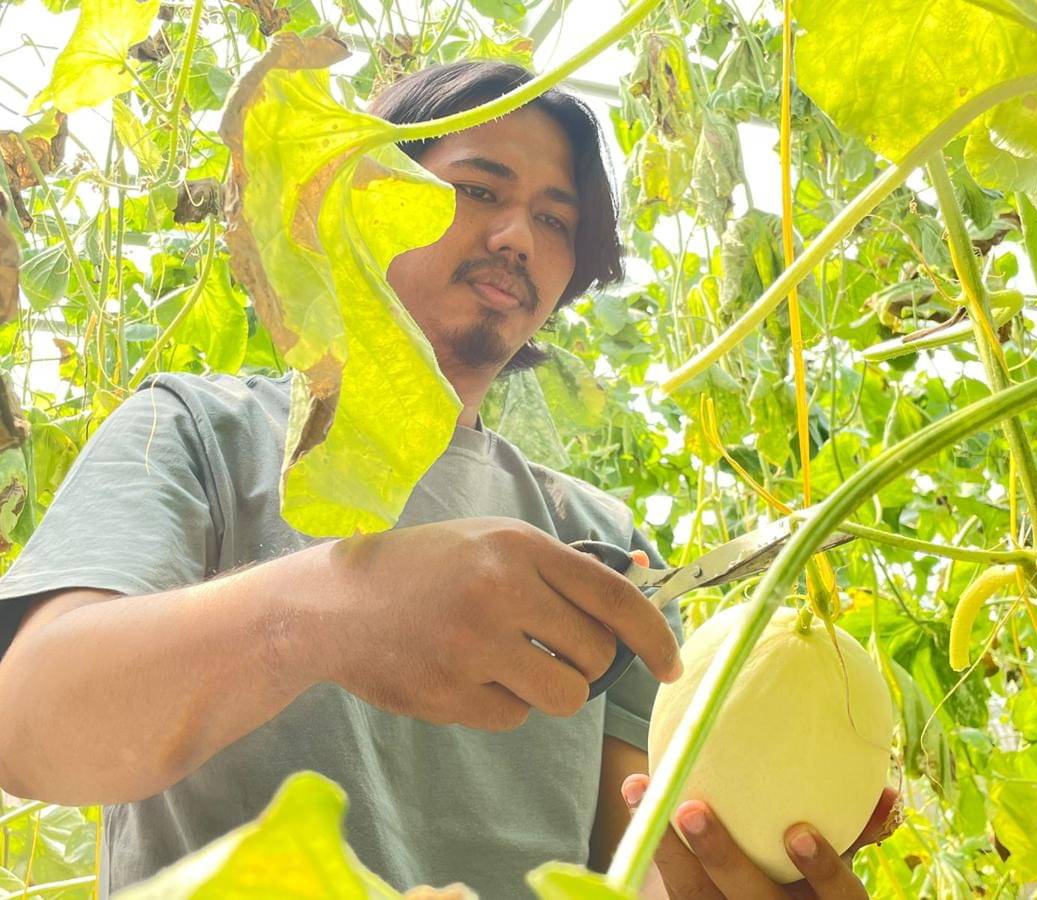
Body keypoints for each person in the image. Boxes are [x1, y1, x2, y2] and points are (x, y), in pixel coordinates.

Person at [0, 61, 899, 898]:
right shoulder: (196, 428)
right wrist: (322, 612)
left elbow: (635, 856)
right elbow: (27, 721)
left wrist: (732, 854)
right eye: (477, 190)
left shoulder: (602, 538)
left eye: (555, 220)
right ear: (367, 194)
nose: (517, 237)